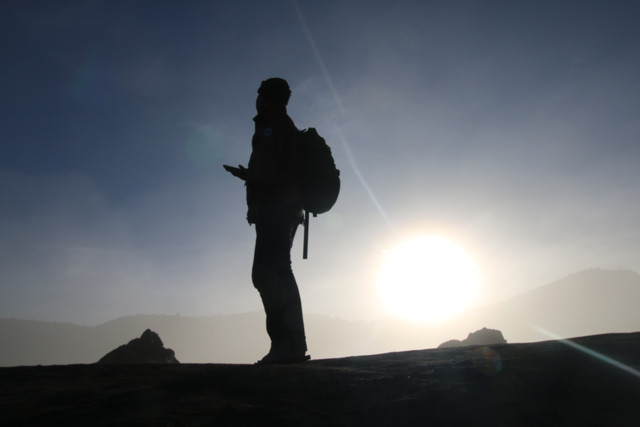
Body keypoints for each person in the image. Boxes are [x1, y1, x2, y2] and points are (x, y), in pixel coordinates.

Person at [224, 78, 308, 364]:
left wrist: (254, 187)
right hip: (283, 207)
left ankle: (289, 344)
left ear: (265, 98)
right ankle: (286, 344)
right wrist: (249, 176)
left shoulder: (272, 125)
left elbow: (270, 170)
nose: (257, 99)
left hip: (278, 207)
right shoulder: (279, 125)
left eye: (260, 94)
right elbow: (274, 168)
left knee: (271, 273)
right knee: (272, 272)